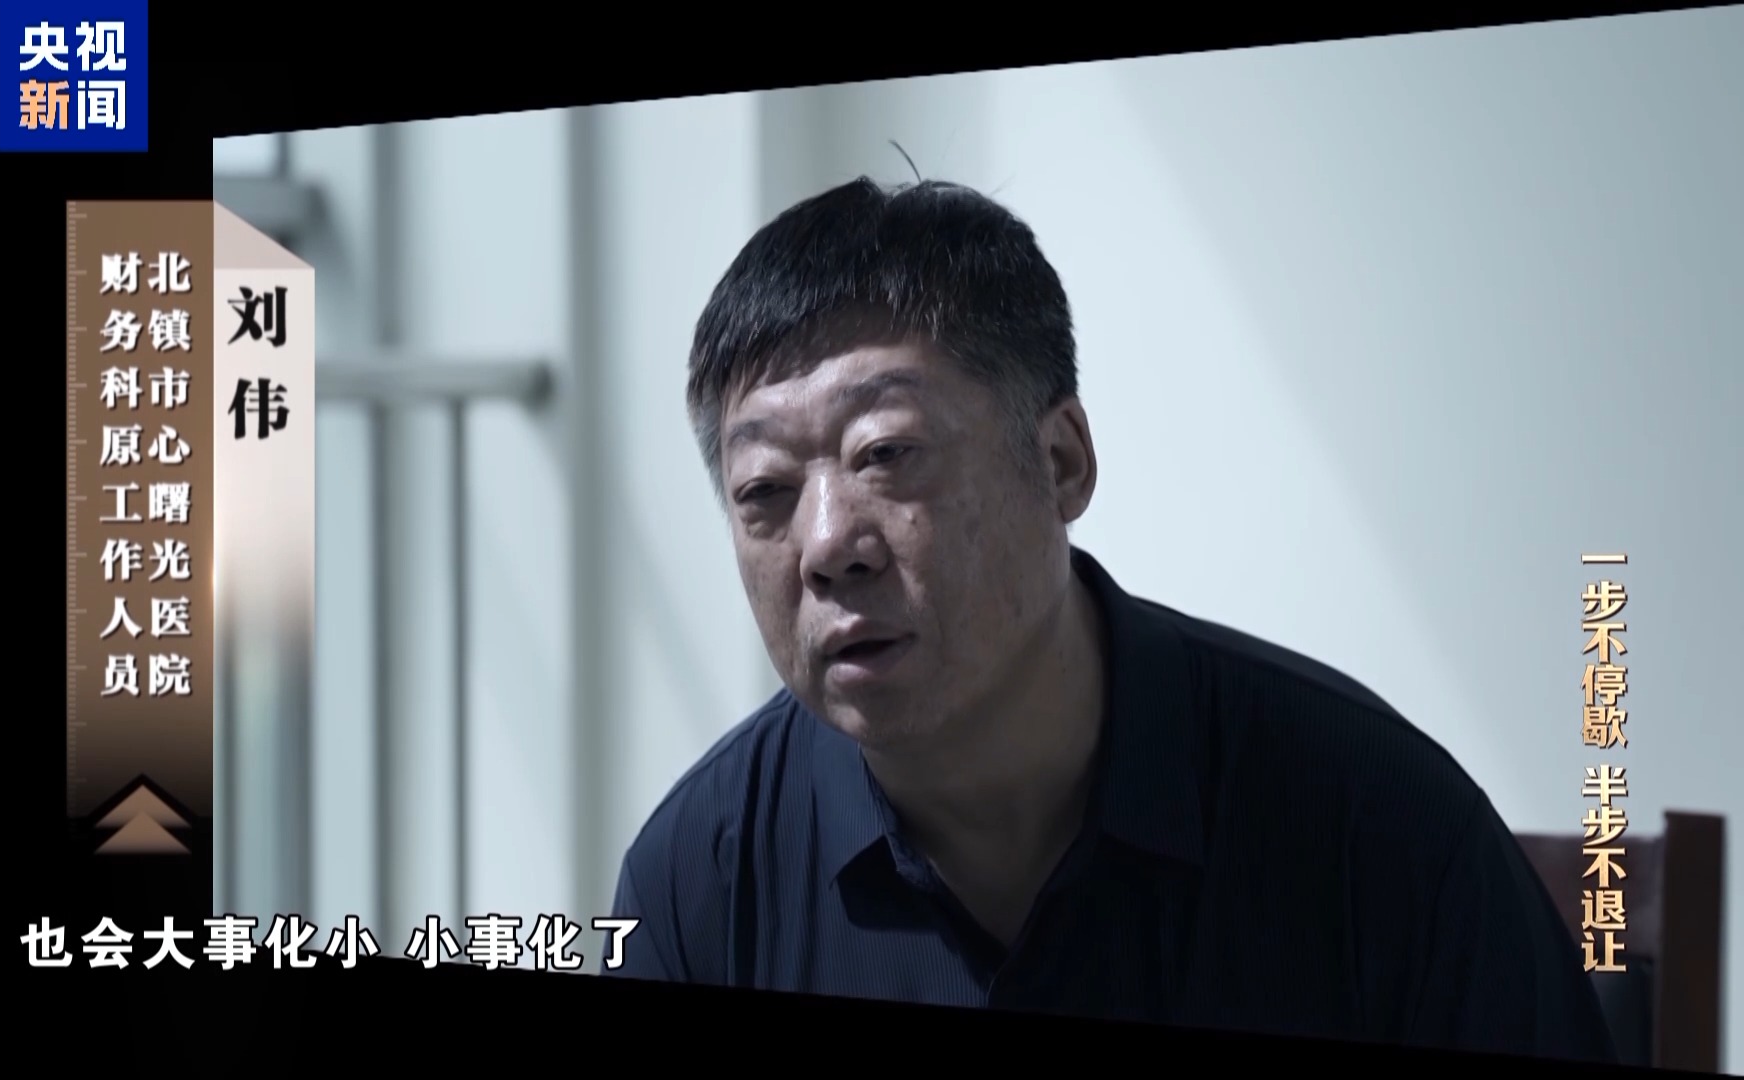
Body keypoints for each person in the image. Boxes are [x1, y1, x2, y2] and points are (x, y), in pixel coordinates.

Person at [604, 177, 1618, 1063]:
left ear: (1061, 463)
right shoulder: (701, 877)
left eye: (887, 454)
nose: (828, 543)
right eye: (765, 492)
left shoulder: (1377, 825)